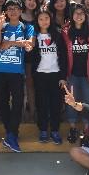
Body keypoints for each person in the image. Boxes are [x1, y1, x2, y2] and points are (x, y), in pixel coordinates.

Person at [0, 0, 34, 152]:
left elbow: (30, 44)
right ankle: (11, 134)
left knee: (17, 102)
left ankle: (11, 134)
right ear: (6, 12)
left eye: (16, 8)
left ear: (21, 11)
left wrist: (10, 43)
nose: (13, 11)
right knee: (3, 102)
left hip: (16, 71)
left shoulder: (27, 27)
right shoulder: (2, 27)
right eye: (10, 9)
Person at [61, 3, 89, 144]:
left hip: (88, 74)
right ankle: (73, 128)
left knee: (87, 101)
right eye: (76, 13)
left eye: (82, 13)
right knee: (71, 100)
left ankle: (86, 129)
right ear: (71, 15)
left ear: (86, 15)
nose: (79, 16)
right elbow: (63, 54)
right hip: (72, 73)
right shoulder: (66, 31)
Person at [30, 8, 67, 144]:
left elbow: (63, 57)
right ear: (37, 21)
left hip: (56, 74)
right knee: (42, 104)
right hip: (40, 75)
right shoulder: (34, 36)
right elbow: (31, 56)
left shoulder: (57, 35)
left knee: (56, 104)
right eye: (41, 19)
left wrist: (63, 76)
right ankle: (43, 130)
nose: (44, 21)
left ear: (50, 20)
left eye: (46, 18)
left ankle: (55, 130)